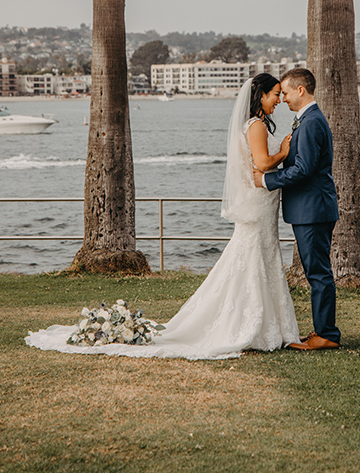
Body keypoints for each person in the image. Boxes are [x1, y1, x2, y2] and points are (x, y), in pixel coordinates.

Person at [26, 74, 300, 360]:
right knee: (252, 258)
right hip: (258, 203)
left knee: (258, 258)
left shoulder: (253, 124)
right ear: (261, 95)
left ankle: (268, 325)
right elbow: (262, 163)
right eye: (275, 95)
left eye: (281, 95)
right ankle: (253, 325)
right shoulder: (255, 126)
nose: (279, 101)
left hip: (261, 200)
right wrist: (282, 151)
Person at [253, 68, 341, 351]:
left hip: (313, 208)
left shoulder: (312, 121)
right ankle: (322, 330)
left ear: (300, 91)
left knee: (318, 273)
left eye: (287, 93)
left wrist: (267, 179)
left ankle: (327, 334)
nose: (284, 99)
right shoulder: (305, 120)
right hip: (309, 208)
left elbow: (304, 169)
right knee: (316, 271)